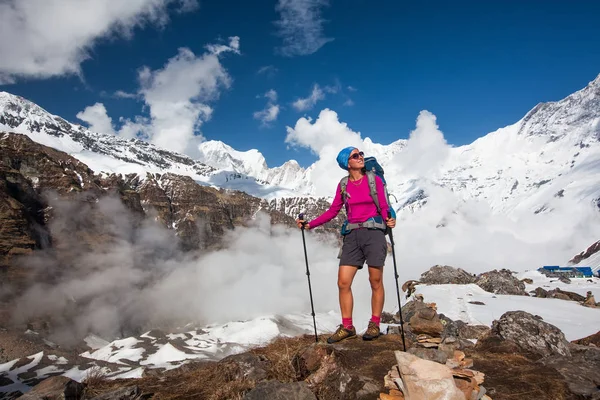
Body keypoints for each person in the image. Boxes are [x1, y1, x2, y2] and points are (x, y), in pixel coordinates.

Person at [296, 147, 396, 343]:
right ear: (346, 163)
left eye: (361, 154)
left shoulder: (373, 180)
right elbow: (333, 210)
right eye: (355, 156)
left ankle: (375, 324)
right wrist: (310, 225)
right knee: (343, 282)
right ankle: (347, 327)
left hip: (374, 233)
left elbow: (383, 205)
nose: (361, 158)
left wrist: (390, 219)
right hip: (352, 236)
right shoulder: (343, 185)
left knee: (375, 281)